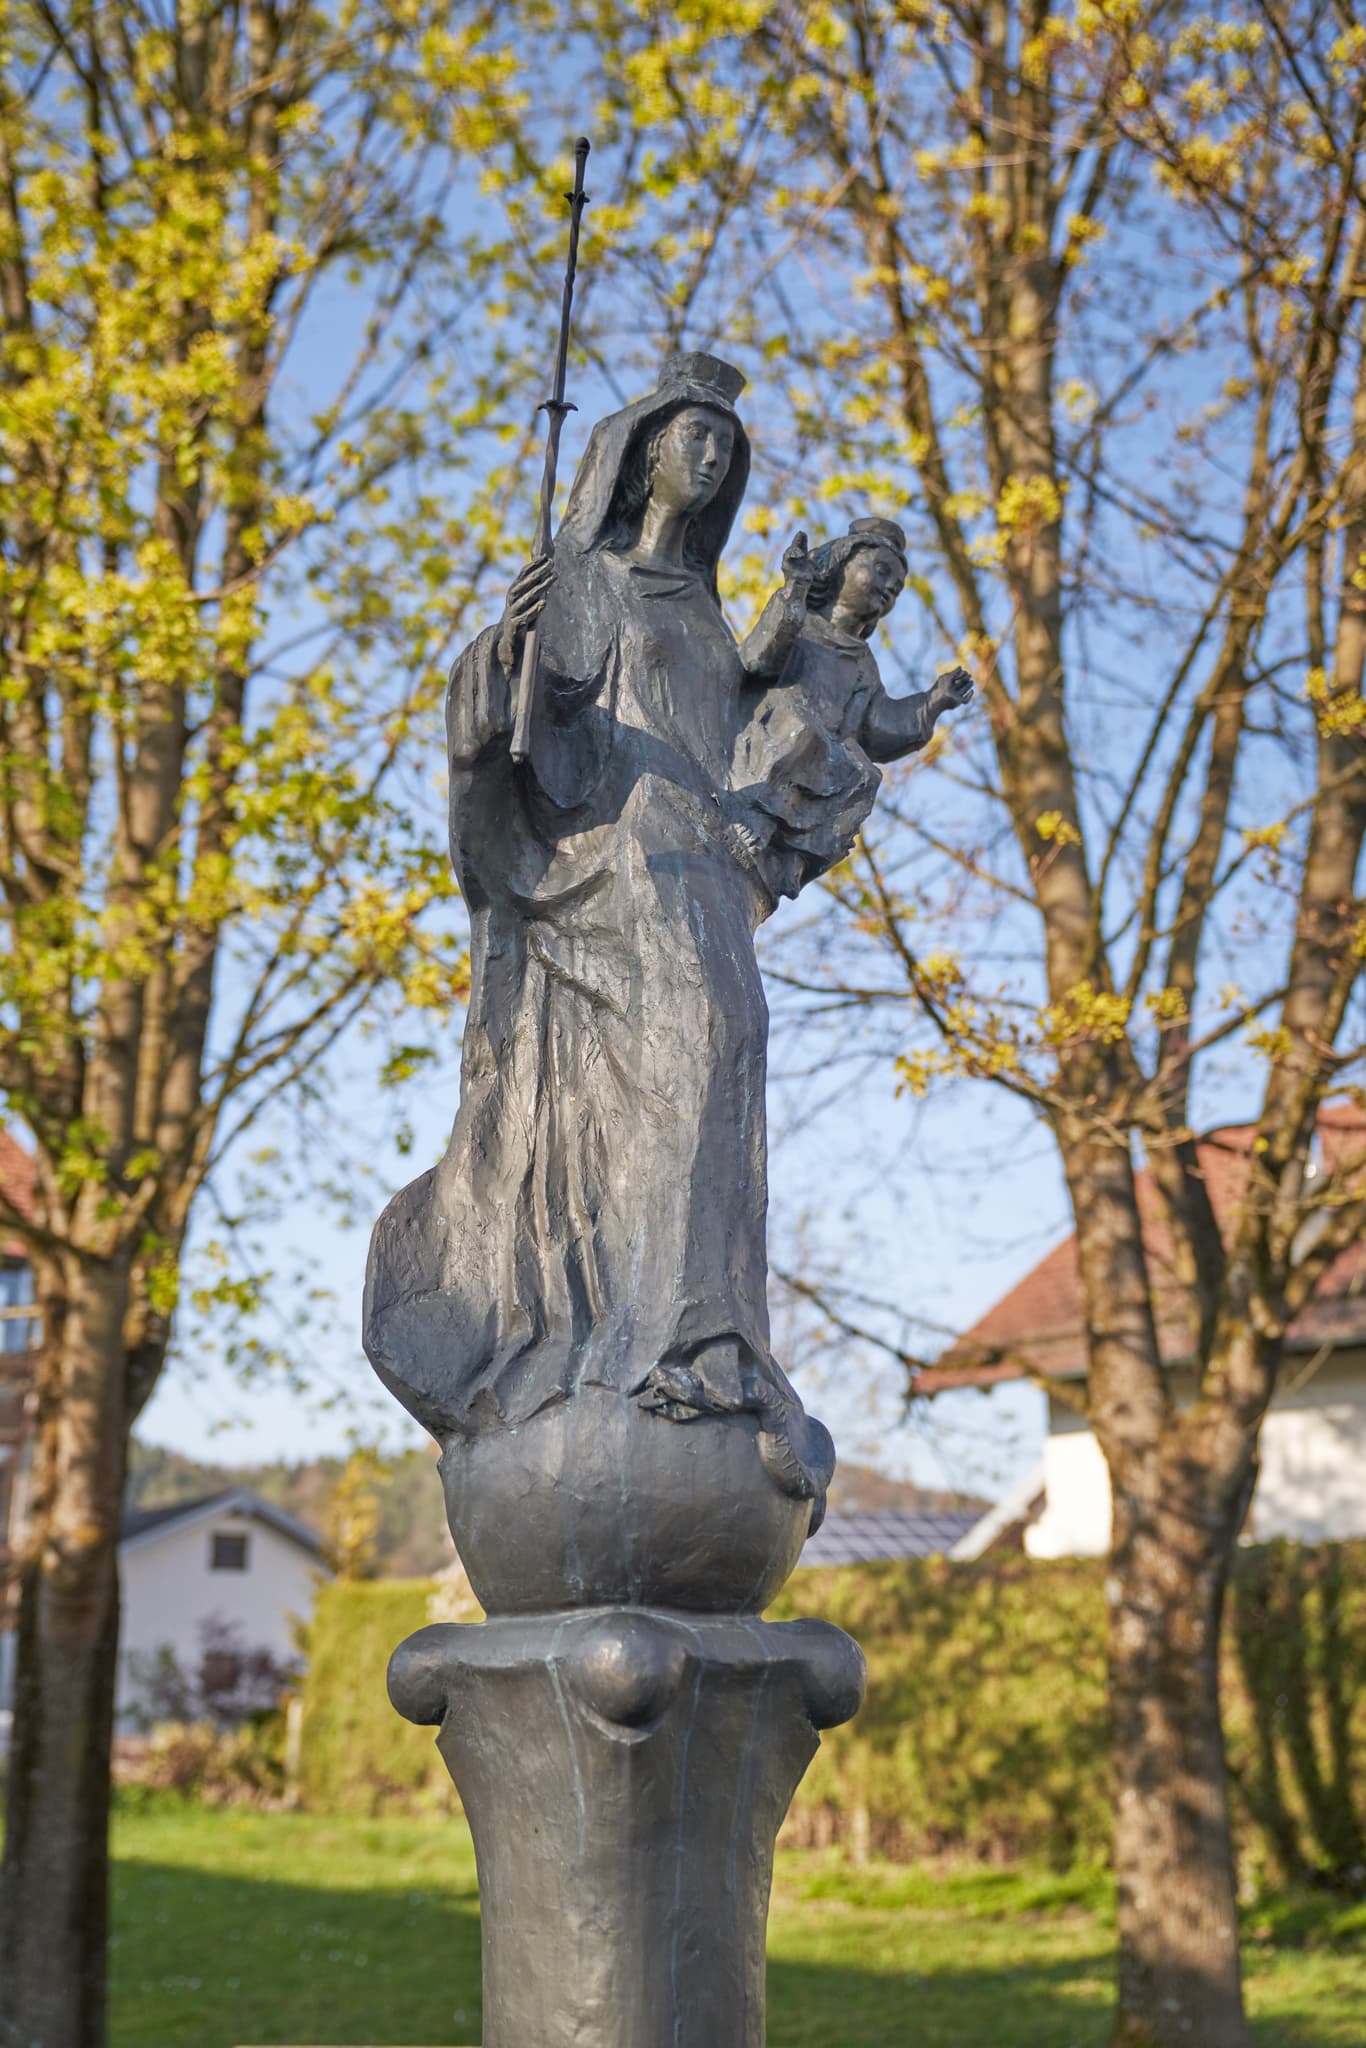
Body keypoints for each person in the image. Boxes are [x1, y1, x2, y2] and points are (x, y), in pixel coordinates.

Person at [363, 353, 827, 1491]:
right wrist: (508, 661)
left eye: (725, 445)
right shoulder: (582, 582)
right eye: (691, 437)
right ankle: (662, 1338)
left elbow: (746, 721)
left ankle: (703, 1330)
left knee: (729, 1056)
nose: (710, 458)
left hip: (705, 864)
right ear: (641, 452)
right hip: (611, 860)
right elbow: (535, 742)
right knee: (701, 1041)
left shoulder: (710, 608)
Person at [732, 515, 974, 902]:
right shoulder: (802, 625)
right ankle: (757, 816)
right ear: (842, 563)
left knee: (864, 774)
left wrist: (932, 701)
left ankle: (794, 857)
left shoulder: (863, 663)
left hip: (822, 758)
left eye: (896, 589)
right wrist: (794, 592)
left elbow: (877, 725)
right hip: (768, 734)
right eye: (880, 573)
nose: (888, 591)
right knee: (803, 729)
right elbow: (757, 659)